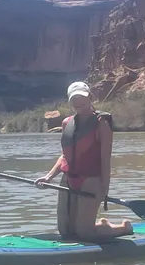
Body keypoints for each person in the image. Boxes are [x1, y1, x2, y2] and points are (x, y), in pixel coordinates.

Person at [36, 81, 133, 241]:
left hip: (91, 180)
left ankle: (123, 228)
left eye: (81, 97)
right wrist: (48, 177)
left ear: (90, 98)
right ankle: (101, 225)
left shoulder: (102, 122)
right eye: (74, 99)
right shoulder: (67, 123)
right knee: (66, 232)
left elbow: (105, 158)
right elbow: (65, 156)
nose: (78, 102)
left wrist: (104, 188)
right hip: (68, 179)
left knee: (84, 233)